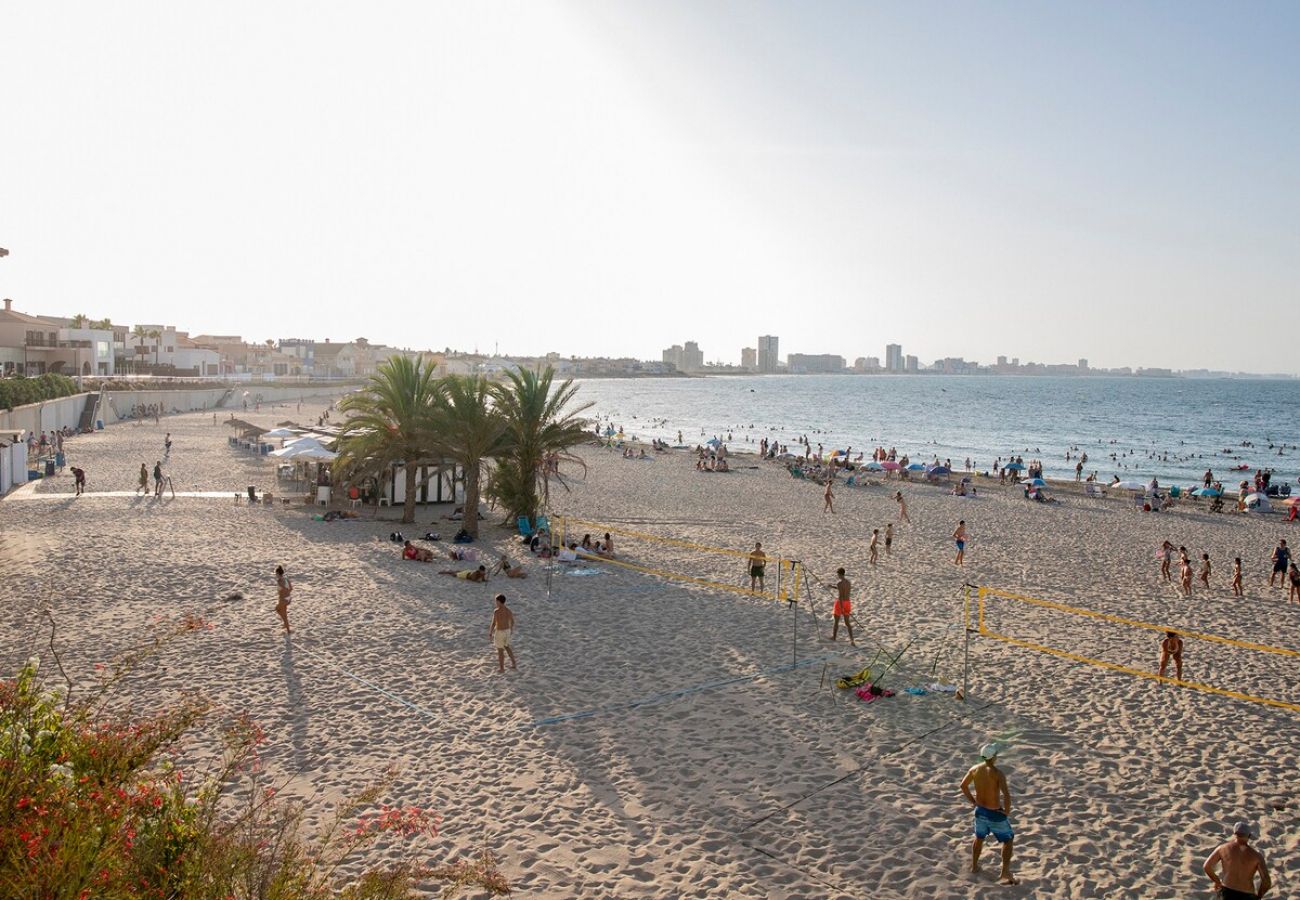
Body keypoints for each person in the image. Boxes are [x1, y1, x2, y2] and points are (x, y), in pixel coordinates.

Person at [959, 742, 1017, 885]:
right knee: (1008, 840)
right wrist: (1007, 812)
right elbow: (1007, 795)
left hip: (980, 811)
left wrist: (973, 802)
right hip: (994, 814)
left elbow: (963, 785)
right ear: (993, 757)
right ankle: (1005, 871)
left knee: (979, 838)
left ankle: (974, 866)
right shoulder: (997, 773)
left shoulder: (974, 769)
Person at [1203, 822, 1270, 899]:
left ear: (1234, 833)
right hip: (1246, 894)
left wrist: (1217, 881)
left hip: (1227, 891)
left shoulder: (1222, 849)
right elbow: (1266, 881)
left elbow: (1206, 866)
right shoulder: (1257, 856)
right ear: (1249, 836)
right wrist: (1259, 896)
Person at [489, 594, 517, 673]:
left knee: (500, 650)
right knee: (507, 647)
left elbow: (493, 623)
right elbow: (512, 621)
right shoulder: (508, 610)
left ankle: (502, 668)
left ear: (499, 601)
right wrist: (511, 629)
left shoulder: (496, 611)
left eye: (496, 601)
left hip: (500, 631)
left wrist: (490, 633)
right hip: (507, 631)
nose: (495, 602)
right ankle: (514, 663)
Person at [831, 568, 855, 645]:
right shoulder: (848, 582)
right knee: (847, 623)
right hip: (848, 603)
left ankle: (834, 637)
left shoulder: (839, 584)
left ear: (839, 574)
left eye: (837, 574)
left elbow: (841, 595)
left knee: (836, 622)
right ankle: (852, 640)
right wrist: (832, 586)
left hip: (840, 603)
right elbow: (842, 589)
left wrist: (841, 607)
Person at [275, 566, 292, 633]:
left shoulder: (279, 581)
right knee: (284, 613)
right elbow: (291, 588)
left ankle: (287, 628)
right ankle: (286, 625)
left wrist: (282, 593)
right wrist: (287, 593)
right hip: (288, 598)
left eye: (276, 574)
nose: (276, 575)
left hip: (283, 599)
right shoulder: (286, 579)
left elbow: (281, 590)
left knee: (278, 610)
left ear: (278, 574)